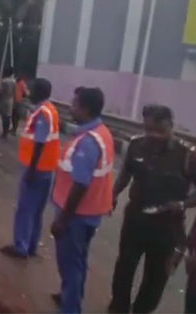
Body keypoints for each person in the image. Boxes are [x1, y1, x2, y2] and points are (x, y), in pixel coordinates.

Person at [108, 105, 196, 314]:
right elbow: (125, 175)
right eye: (149, 130)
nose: (154, 136)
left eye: (160, 131)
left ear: (171, 127)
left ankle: (141, 311)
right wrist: (112, 194)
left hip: (167, 226)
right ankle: (118, 309)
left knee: (156, 278)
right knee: (124, 269)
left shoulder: (187, 155)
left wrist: (183, 204)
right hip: (136, 219)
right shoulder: (136, 145)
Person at [51, 87, 114, 314]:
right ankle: (70, 295)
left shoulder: (87, 142)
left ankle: (70, 307)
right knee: (78, 261)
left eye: (75, 104)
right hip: (90, 214)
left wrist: (63, 219)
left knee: (70, 264)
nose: (71, 107)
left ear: (85, 109)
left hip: (76, 216)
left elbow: (81, 183)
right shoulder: (102, 132)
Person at [0, 78, 60, 258]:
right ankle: (31, 246)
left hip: (38, 169)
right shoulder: (52, 110)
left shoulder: (43, 113)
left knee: (26, 209)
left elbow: (40, 143)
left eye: (32, 90)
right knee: (37, 211)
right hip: (47, 169)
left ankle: (21, 247)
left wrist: (32, 171)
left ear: (40, 92)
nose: (29, 93)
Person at [0, 67, 16, 140]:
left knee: (4, 117)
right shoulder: (14, 81)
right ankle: (6, 133)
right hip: (11, 100)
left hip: (4, 100)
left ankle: (4, 133)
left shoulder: (4, 81)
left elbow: (1, 92)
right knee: (8, 117)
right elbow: (15, 92)